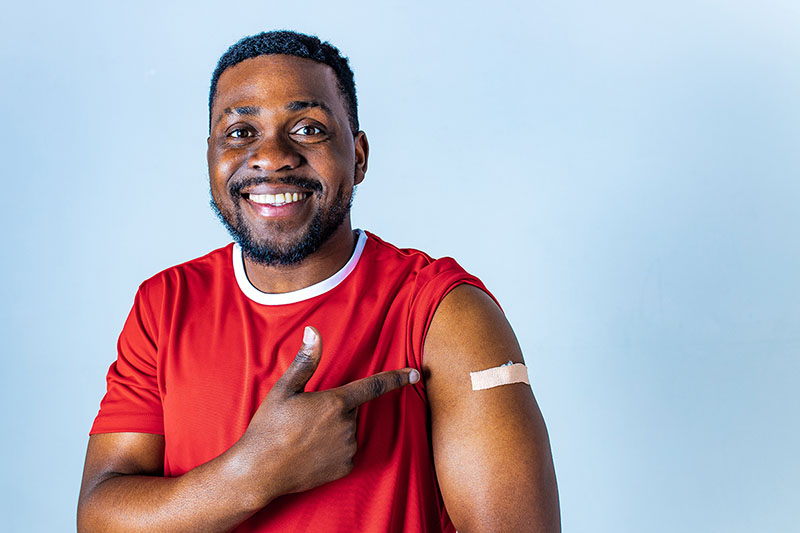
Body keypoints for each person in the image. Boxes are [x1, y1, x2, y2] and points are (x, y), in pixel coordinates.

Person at [77, 30, 560, 532]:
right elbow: (99, 519)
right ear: (210, 156)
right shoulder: (165, 304)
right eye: (241, 133)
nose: (271, 156)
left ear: (359, 156)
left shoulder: (442, 311)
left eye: (307, 128)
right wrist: (254, 472)